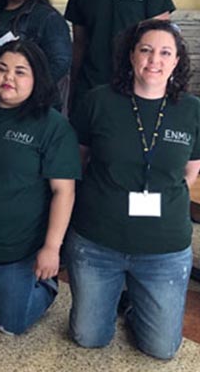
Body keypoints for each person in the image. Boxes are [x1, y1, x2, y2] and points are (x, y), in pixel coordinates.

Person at [67, 19, 199, 359]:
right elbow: (78, 164)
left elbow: (190, 171)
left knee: (161, 349)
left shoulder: (192, 111)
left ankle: (131, 305)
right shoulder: (98, 101)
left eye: (165, 52)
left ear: (176, 61)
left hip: (164, 250)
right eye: (146, 50)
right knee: (88, 337)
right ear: (130, 56)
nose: (154, 60)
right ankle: (116, 296)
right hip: (97, 244)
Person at [0, 40, 79, 335]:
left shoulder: (52, 126)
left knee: (10, 324)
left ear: (37, 79)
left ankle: (45, 287)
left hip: (18, 251)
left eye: (20, 72)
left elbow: (64, 192)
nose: (9, 78)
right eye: (2, 69)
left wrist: (51, 248)